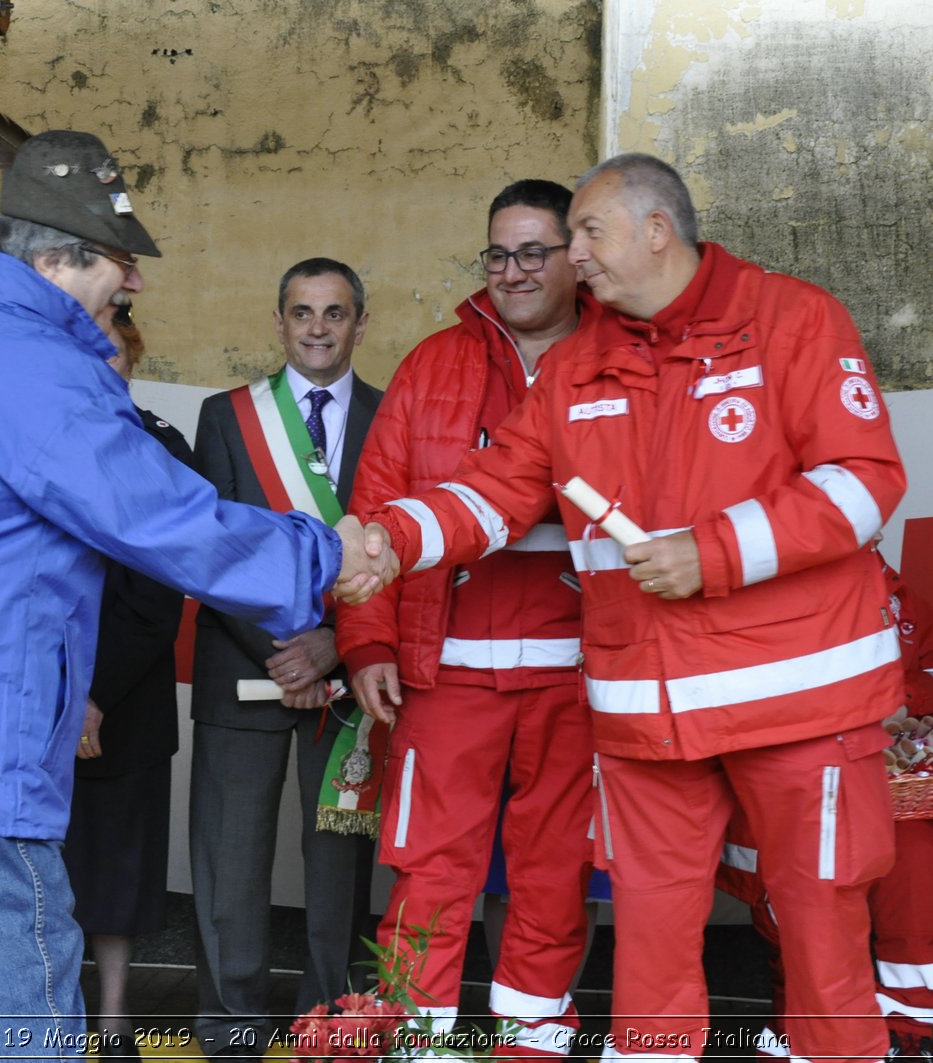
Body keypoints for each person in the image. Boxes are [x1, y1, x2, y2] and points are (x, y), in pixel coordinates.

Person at [0, 130, 393, 1062]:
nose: (134, 283)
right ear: (58, 259)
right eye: (120, 260)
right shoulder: (39, 370)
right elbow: (160, 517)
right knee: (24, 1010)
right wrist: (323, 556)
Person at [358, 153, 907, 1063]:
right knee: (651, 935)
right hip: (646, 712)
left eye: (586, 234)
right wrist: (384, 543)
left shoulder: (794, 320)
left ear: (658, 230)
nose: (572, 257)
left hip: (799, 706)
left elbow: (865, 483)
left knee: (819, 925)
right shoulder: (575, 366)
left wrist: (714, 551)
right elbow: (490, 494)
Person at [336, 179, 600, 1056]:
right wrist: (367, 637)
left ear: (578, 257)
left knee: (553, 869)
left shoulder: (622, 357)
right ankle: (419, 1037)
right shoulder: (433, 363)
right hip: (444, 662)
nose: (513, 271)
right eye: (498, 253)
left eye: (535, 252)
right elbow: (375, 506)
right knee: (431, 865)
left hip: (581, 667)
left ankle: (532, 1036)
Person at [189, 257, 382, 1060]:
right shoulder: (229, 415)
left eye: (334, 313)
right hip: (245, 670)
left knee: (339, 866)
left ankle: (331, 1021)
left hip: (350, 680)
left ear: (359, 324)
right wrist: (284, 652)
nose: (316, 327)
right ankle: (232, 1023)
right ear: (278, 321)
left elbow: (397, 546)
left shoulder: (393, 412)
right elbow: (205, 549)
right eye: (302, 311)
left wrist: (334, 648)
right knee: (230, 867)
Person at [718, 552, 933, 1061]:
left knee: (917, 861)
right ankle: (799, 1029)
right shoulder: (766, 593)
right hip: (785, 793)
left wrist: (897, 696)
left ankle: (908, 1029)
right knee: (799, 904)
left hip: (890, 792)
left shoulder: (906, 605)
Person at [62, 308, 191, 1063]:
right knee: (34, 865)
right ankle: (41, 1011)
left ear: (133, 361)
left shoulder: (161, 448)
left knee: (118, 864)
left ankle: (113, 1018)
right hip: (33, 694)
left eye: (112, 355)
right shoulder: (33, 445)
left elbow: (158, 592)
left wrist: (95, 691)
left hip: (127, 696)